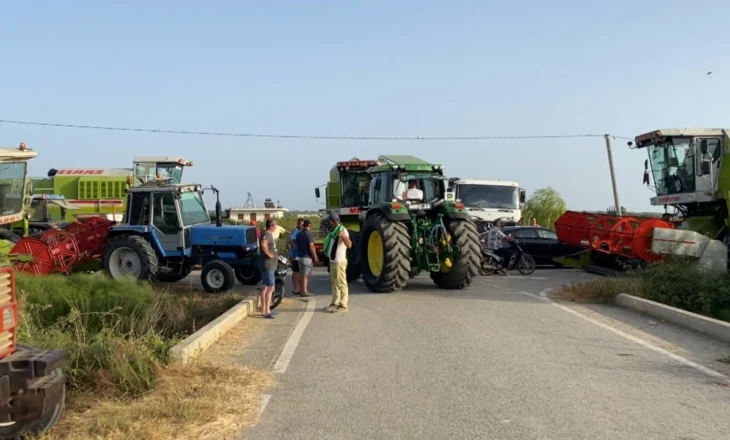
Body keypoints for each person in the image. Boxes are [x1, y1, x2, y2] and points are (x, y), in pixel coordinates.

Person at [323, 212, 351, 313]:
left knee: (341, 283)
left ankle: (343, 305)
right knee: (334, 283)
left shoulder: (342, 231)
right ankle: (335, 302)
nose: (329, 223)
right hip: (333, 261)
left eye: (330, 222)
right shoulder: (334, 231)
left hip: (339, 261)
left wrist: (343, 237)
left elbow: (349, 245)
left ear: (333, 221)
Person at [259, 218, 279, 319]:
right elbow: (263, 245)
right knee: (271, 287)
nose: (276, 227)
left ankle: (265, 309)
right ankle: (267, 311)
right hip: (268, 265)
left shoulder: (268, 235)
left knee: (265, 287)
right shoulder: (266, 235)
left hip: (270, 265)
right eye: (275, 225)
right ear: (272, 226)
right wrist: (269, 254)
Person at [295, 219, 319, 296]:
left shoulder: (298, 234)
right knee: (306, 275)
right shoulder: (309, 234)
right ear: (309, 225)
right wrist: (315, 257)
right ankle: (304, 291)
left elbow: (296, 244)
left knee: (301, 275)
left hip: (299, 257)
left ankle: (301, 289)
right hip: (307, 257)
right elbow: (311, 246)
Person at [289, 218, 304, 295]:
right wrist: (296, 247)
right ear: (297, 224)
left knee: (299, 272)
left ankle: (299, 288)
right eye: (300, 224)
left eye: (302, 224)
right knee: (296, 272)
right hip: (295, 255)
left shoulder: (302, 231)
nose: (301, 225)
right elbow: (291, 240)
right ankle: (296, 288)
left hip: (300, 255)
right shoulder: (295, 231)